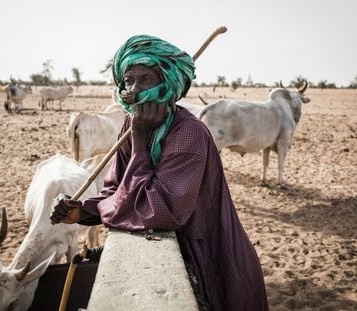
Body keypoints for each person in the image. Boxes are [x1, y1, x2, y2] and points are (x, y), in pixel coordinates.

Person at [50, 34, 268, 310]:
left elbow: (159, 211)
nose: (132, 90)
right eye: (128, 80)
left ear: (167, 84)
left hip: (212, 257)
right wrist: (84, 211)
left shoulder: (187, 133)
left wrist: (140, 141)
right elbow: (118, 189)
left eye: (146, 80)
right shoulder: (132, 122)